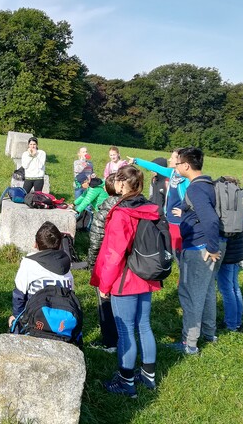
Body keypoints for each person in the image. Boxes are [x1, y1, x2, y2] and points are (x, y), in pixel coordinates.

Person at [91, 165, 162, 397]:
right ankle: (148, 376)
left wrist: (104, 285)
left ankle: (126, 382)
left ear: (121, 183)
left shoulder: (122, 213)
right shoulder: (150, 208)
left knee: (125, 330)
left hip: (125, 279)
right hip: (147, 275)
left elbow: (114, 253)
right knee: (144, 325)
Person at [170, 146, 221, 355]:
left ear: (187, 166)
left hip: (200, 247)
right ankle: (210, 333)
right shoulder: (208, 183)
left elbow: (210, 219)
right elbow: (197, 206)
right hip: (209, 246)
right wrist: (182, 209)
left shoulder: (195, 188)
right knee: (207, 290)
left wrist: (212, 247)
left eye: (178, 162)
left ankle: (189, 344)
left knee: (191, 294)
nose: (175, 165)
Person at [8, 221, 74, 328]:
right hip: (63, 322)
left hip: (37, 321)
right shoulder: (66, 264)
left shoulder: (28, 263)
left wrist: (17, 318)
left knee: (12, 319)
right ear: (60, 244)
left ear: (36, 244)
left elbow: (19, 296)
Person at [129, 150, 189, 252]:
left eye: (173, 157)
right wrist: (136, 160)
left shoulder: (187, 180)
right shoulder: (172, 173)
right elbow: (155, 167)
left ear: (181, 161)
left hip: (179, 222)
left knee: (178, 252)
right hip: (169, 218)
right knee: (171, 249)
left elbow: (193, 200)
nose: (169, 159)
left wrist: (185, 212)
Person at [87, 174, 120, 352]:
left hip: (106, 262)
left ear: (107, 190)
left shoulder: (104, 210)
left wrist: (92, 266)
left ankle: (110, 341)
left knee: (105, 302)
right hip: (127, 264)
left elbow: (96, 240)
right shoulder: (133, 206)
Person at [216, 178, 243, 333]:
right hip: (238, 252)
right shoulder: (239, 204)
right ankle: (237, 321)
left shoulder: (227, 209)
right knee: (234, 287)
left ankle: (231, 324)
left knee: (227, 289)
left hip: (228, 254)